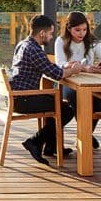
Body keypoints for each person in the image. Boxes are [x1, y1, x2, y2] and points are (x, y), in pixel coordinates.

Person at [10, 15, 81, 165]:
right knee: (67, 109)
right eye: (50, 33)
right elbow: (56, 74)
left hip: (16, 97)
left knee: (53, 101)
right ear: (42, 33)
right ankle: (35, 141)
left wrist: (65, 67)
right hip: (24, 100)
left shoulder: (23, 44)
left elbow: (49, 68)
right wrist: (75, 69)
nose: (51, 36)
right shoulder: (35, 50)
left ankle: (51, 146)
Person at [54, 12, 101, 149]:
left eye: (84, 29)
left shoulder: (92, 42)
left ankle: (85, 134)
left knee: (99, 101)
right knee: (76, 98)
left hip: (89, 84)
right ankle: (85, 135)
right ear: (69, 29)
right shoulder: (61, 41)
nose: (82, 33)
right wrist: (79, 67)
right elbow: (59, 64)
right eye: (77, 30)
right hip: (67, 83)